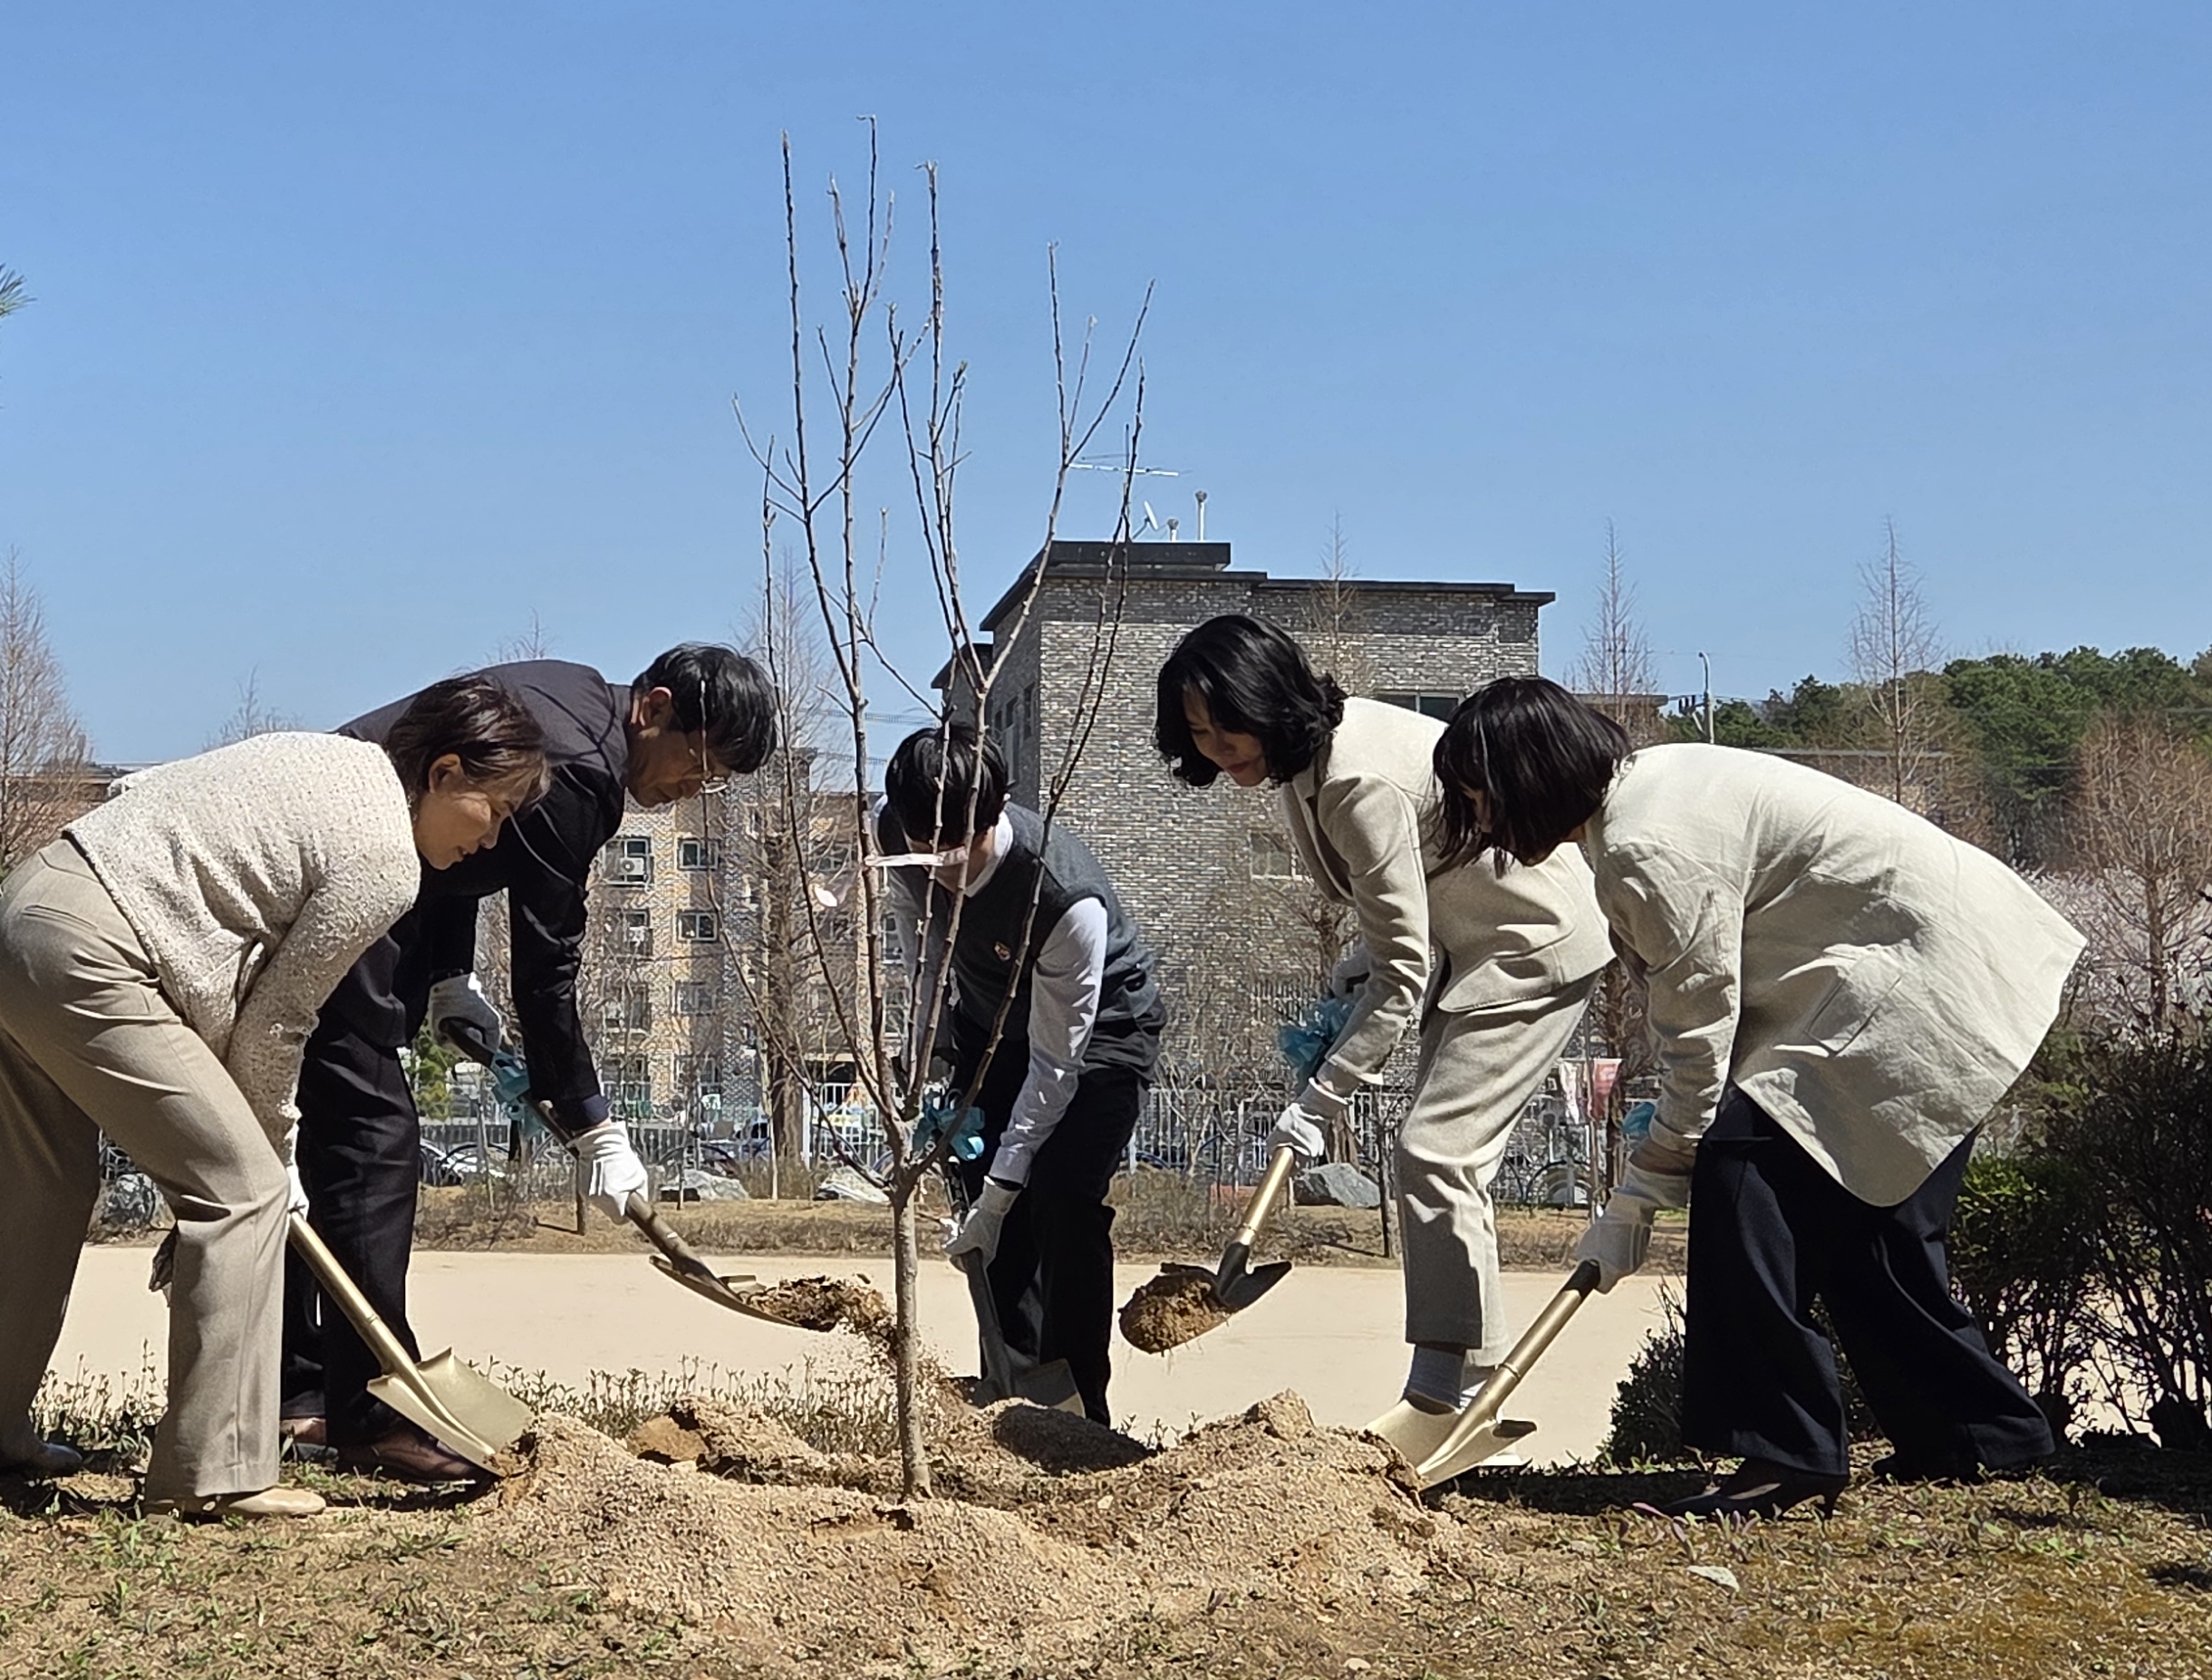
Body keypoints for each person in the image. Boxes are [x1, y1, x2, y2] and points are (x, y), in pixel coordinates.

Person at [1431, 677, 2080, 1518]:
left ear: (1534, 775)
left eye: (1483, 799)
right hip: (1959, 959)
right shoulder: (1652, 789)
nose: (1481, 823)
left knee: (1744, 1172)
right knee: (1867, 1224)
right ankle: (1982, 1435)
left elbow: (1700, 1032)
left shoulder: (1646, 843)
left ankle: (1780, 1450)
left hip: (1921, 977)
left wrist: (1648, 1184)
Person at [0, 677, 551, 1520]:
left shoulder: (333, 760)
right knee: (242, 1193)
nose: (493, 838)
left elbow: (150, 802)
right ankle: (213, 1470)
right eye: (497, 810)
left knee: (43, 1193)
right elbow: (280, 1022)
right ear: (443, 774)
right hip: (97, 953)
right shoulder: (384, 860)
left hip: (22, 917)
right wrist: (272, 1153)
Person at [279, 645, 779, 1481]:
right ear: (653, 709)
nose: (699, 788)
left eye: (720, 778)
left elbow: (464, 855)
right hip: (344, 877)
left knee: (333, 1143)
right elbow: (549, 973)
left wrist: (448, 975)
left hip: (359, 870)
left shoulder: (570, 692)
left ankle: (298, 1400)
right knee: (372, 1144)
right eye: (701, 763)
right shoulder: (580, 769)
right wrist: (595, 1127)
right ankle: (368, 1414)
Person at [1154, 616, 1614, 1425]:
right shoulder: (1304, 765)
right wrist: (1351, 972)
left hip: (1532, 945)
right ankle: (1460, 1379)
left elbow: (1402, 977)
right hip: (1470, 948)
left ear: (1267, 701)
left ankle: (1448, 1393)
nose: (1220, 750)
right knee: (1439, 1156)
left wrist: (1319, 1101)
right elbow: (1396, 918)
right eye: (1200, 734)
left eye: (1227, 727)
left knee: (1437, 1151)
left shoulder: (1354, 781)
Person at [879, 723, 1165, 1426]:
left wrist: (1006, 1192)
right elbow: (926, 957)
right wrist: (922, 1064)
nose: (937, 865)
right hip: (986, 1020)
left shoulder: (1064, 900)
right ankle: (1011, 1387)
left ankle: (1078, 1411)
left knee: (1060, 1196)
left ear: (996, 811)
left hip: (1098, 1036)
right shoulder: (903, 832)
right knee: (986, 1214)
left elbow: (1054, 1065)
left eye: (953, 849)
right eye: (922, 848)